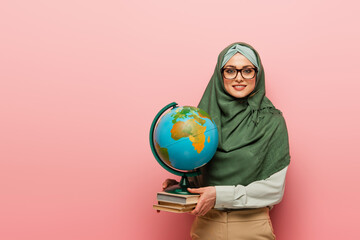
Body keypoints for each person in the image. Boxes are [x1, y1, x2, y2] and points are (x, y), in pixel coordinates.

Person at [162, 42, 290, 240]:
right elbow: (202, 178)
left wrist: (219, 196)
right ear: (220, 75)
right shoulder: (203, 122)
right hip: (206, 228)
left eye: (247, 70)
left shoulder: (271, 121)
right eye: (230, 70)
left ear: (258, 74)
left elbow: (274, 190)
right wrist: (179, 189)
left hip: (252, 229)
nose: (239, 78)